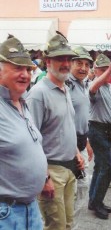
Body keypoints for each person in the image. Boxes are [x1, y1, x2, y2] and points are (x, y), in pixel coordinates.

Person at [26, 32, 84, 230]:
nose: (66, 63)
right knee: (55, 226)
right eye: (60, 58)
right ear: (47, 61)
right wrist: (44, 178)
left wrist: (76, 152)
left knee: (67, 224)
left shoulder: (64, 87)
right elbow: (30, 141)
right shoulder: (39, 94)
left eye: (68, 58)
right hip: (51, 171)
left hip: (68, 168)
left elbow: (64, 126)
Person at [0, 35, 47, 229]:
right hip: (6, 214)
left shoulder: (22, 101)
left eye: (28, 69)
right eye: (18, 68)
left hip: (30, 209)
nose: (26, 74)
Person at [88, 54, 111, 219]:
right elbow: (92, 88)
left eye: (108, 70)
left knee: (99, 166)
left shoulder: (110, 88)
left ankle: (94, 200)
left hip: (107, 131)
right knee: (108, 167)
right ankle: (96, 202)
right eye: (102, 70)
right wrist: (109, 70)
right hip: (97, 129)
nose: (107, 74)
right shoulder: (94, 84)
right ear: (95, 71)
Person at [66, 46, 93, 224]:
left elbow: (84, 116)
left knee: (83, 185)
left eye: (86, 64)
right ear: (70, 64)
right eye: (79, 63)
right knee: (70, 188)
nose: (83, 68)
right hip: (68, 145)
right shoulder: (66, 85)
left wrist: (88, 141)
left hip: (82, 141)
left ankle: (72, 223)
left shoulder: (83, 84)